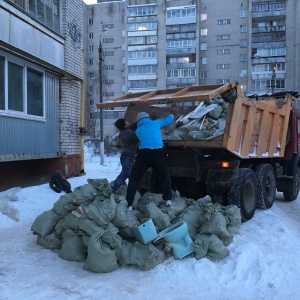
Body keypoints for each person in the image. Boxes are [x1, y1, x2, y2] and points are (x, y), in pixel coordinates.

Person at [126, 112, 174, 210]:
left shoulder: (138, 130)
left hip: (144, 154)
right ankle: (168, 199)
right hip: (158, 153)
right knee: (164, 175)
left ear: (138, 121)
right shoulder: (156, 123)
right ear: (148, 118)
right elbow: (168, 120)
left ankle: (129, 204)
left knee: (134, 178)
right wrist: (172, 114)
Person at [111, 118, 139, 193]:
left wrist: (138, 122)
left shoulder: (124, 132)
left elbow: (131, 127)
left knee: (131, 174)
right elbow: (139, 137)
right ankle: (114, 187)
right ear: (125, 125)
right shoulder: (129, 133)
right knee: (126, 173)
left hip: (126, 155)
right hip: (128, 156)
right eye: (126, 121)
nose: (128, 121)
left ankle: (133, 190)